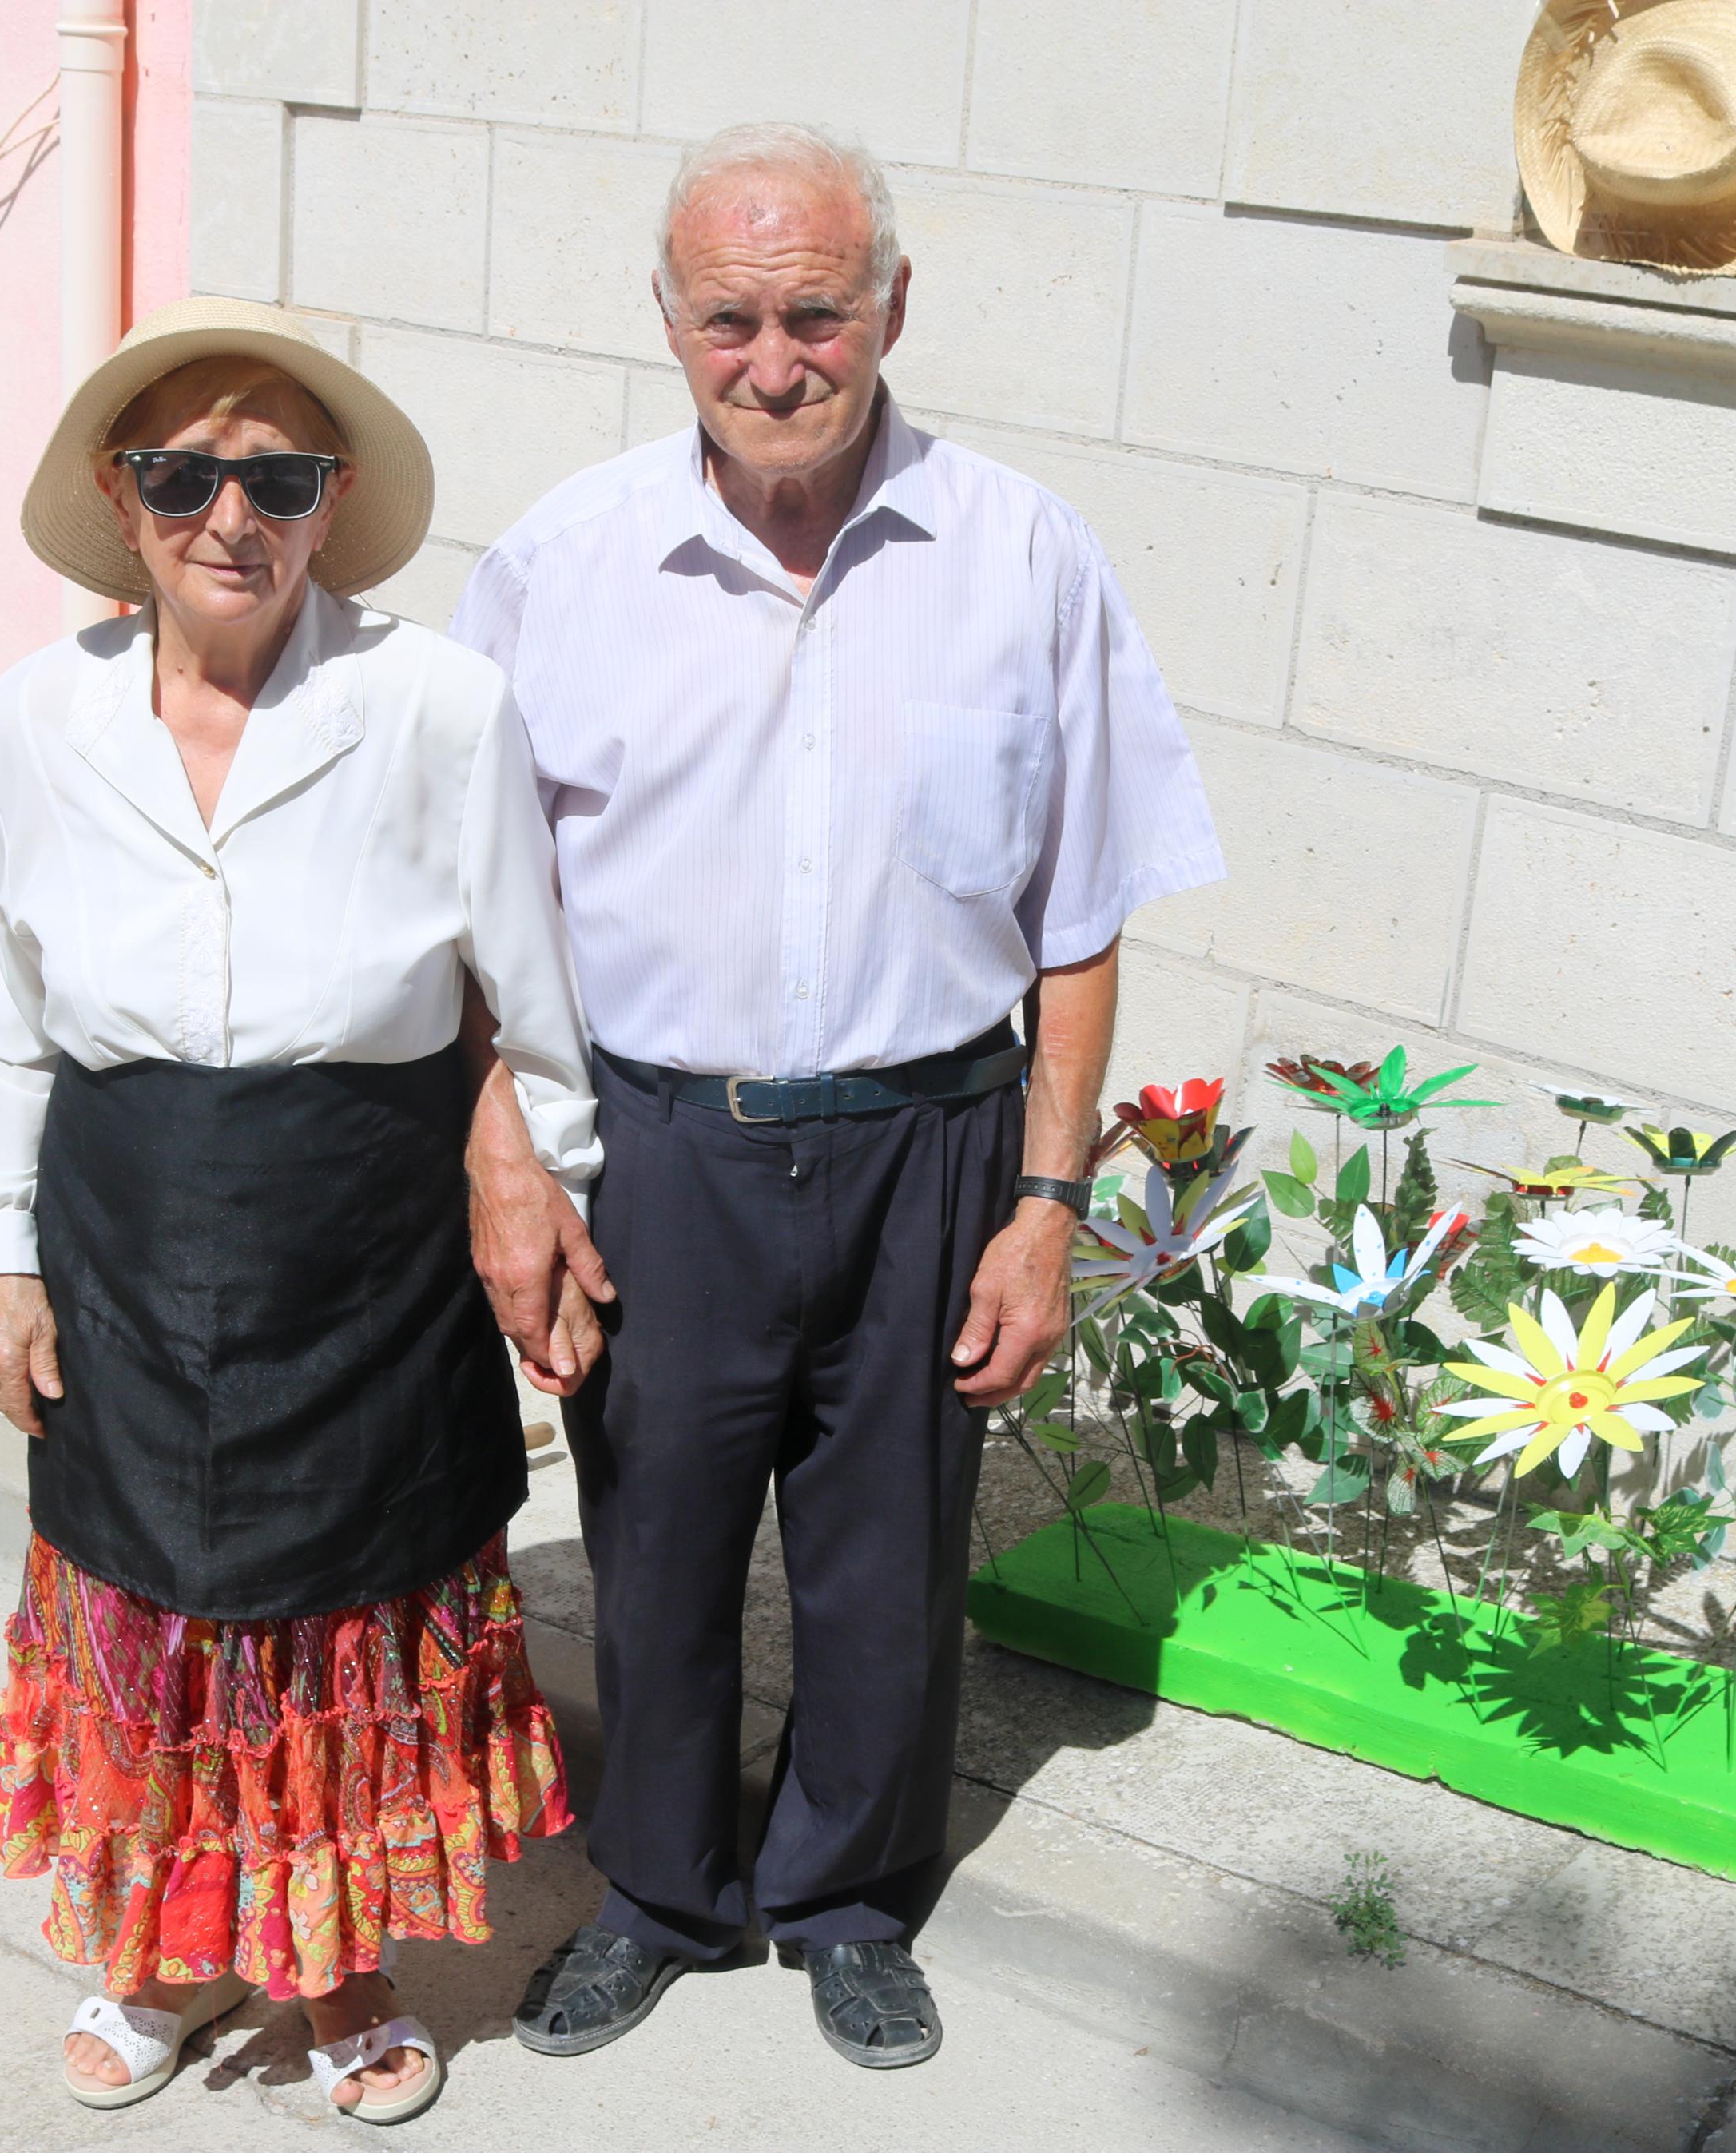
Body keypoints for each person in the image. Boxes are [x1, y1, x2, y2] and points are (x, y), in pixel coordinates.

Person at [451, 122, 1225, 2071]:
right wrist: (510, 1169)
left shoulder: (1023, 554)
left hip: (932, 1143)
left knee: (890, 1557)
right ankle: (659, 1889)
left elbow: (1082, 915)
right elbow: (474, 922)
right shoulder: (560, 565)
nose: (776, 357)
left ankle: (854, 1897)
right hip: (665, 1143)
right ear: (667, 318)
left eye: (817, 312)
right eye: (732, 317)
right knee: (659, 1543)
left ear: (894, 306)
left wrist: (1049, 1208)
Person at [0, 297, 596, 2124]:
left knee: (352, 1611)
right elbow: (13, 1009)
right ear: (121, 493)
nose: (228, 514)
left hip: (366, 1234)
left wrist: (544, 1201)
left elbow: (535, 1010)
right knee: (148, 1612)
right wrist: (1, 1249)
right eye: (183, 472)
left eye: (277, 476)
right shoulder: (37, 712)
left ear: (327, 506)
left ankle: (337, 1972)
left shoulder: (438, 705)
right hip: (123, 1222)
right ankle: (161, 1960)